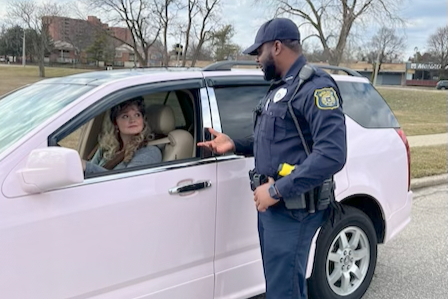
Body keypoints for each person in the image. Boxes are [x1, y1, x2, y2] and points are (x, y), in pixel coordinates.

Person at [198, 18, 347, 298]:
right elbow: (276, 141)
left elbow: (333, 154)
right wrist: (235, 143)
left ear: (276, 47)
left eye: (259, 52)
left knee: (284, 292)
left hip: (294, 209)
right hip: (274, 206)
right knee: (279, 286)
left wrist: (277, 190)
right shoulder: (281, 88)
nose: (256, 59)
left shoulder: (314, 87)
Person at [82, 97, 162, 175]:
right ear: (115, 123)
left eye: (137, 115)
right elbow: (87, 175)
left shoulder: (150, 151)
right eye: (125, 116)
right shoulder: (106, 147)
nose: (132, 120)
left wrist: (86, 166)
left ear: (143, 120)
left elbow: (126, 183)